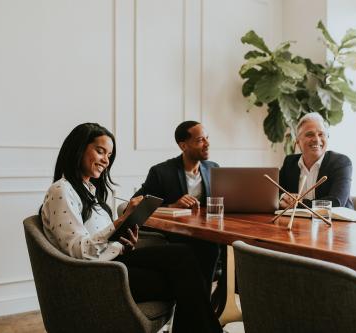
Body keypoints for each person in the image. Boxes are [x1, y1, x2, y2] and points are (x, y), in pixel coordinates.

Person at [40, 123, 222, 333]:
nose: (106, 160)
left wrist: (123, 242)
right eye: (100, 151)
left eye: (109, 154)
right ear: (79, 148)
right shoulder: (61, 190)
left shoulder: (89, 190)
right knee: (186, 277)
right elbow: (79, 251)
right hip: (96, 275)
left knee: (185, 257)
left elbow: (98, 240)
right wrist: (120, 221)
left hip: (112, 262)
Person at [133, 120, 220, 287]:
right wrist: (172, 206)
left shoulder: (213, 168)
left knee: (232, 249)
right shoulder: (161, 172)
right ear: (183, 146)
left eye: (207, 138)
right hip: (177, 237)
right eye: (200, 140)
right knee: (210, 249)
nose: (207, 144)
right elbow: (135, 205)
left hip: (209, 232)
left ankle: (218, 297)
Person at [279, 112, 354, 209]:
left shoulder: (341, 162)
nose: (316, 139)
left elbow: (336, 202)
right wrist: (282, 197)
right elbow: (274, 191)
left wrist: (299, 203)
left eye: (321, 134)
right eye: (310, 135)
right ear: (297, 141)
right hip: (300, 222)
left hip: (338, 222)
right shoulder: (290, 162)